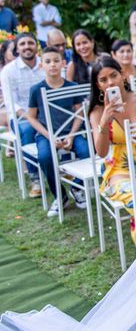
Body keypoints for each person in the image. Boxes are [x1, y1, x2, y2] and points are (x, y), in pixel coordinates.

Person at [88, 55, 136, 242]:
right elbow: (101, 152)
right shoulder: (97, 112)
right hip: (119, 170)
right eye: (103, 80)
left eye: (113, 75)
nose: (110, 82)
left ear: (123, 75)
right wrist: (104, 121)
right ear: (98, 85)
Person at [25, 46, 90, 217]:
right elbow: (31, 117)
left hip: (72, 133)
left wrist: (71, 135)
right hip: (47, 135)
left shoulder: (72, 86)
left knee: (87, 151)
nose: (52, 65)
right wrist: (49, 136)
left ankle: (76, 187)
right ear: (42, 65)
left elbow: (79, 112)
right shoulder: (36, 89)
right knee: (45, 156)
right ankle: (60, 196)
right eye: (48, 61)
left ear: (63, 63)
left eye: (56, 61)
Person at [0, 32, 45, 197]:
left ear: (36, 46)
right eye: (22, 44)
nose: (27, 46)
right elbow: (12, 102)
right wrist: (30, 117)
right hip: (21, 116)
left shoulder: (45, 64)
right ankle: (35, 178)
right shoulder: (8, 71)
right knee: (27, 130)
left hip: (45, 114)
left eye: (30, 43)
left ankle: (65, 167)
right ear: (17, 49)